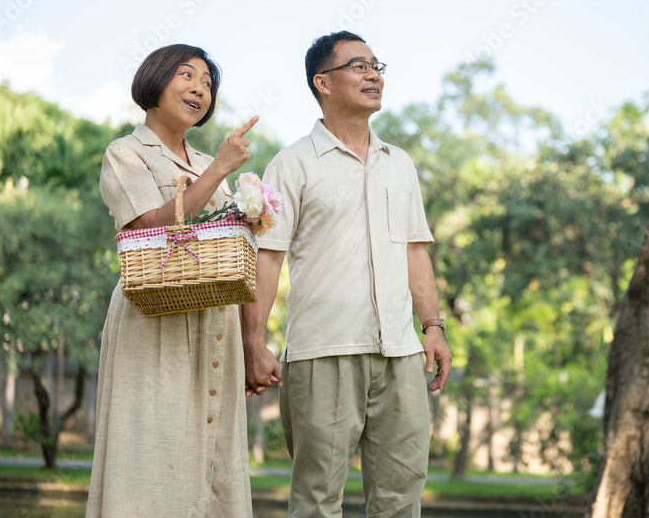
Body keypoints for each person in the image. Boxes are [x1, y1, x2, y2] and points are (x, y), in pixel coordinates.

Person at [242, 31, 452, 518]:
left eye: (377, 66)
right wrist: (253, 342)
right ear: (323, 83)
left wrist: (433, 328)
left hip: (400, 353)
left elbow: (416, 253)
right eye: (358, 66)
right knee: (317, 500)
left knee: (402, 500)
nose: (373, 74)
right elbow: (266, 259)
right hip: (323, 351)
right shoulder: (291, 164)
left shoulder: (400, 164)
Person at [87, 44, 258, 518]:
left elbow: (234, 248)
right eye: (187, 75)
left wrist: (253, 341)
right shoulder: (125, 152)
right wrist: (221, 169)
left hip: (214, 323)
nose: (200, 88)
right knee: (151, 448)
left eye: (207, 82)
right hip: (153, 320)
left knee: (214, 458)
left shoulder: (206, 162)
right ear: (155, 81)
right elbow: (148, 226)